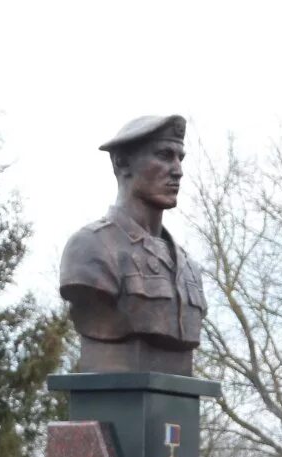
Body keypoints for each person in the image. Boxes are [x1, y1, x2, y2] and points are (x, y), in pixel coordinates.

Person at [59, 114, 208, 375]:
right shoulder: (90, 248)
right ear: (122, 162)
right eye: (164, 155)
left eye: (180, 158)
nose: (178, 170)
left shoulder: (189, 268)